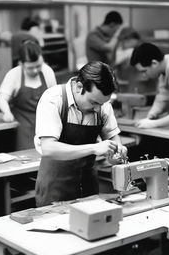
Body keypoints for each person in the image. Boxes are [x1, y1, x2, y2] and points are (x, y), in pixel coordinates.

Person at [34, 61, 128, 206]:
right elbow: (48, 148)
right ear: (79, 87)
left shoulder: (102, 105)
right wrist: (93, 148)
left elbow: (113, 138)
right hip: (55, 186)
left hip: (88, 184)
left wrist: (117, 152)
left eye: (101, 104)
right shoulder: (53, 99)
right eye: (93, 103)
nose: (97, 109)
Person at [0, 40, 57, 150]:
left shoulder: (47, 71)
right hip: (23, 125)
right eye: (30, 68)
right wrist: (6, 112)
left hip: (45, 124)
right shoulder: (14, 75)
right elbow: (2, 99)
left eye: (38, 66)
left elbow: (56, 98)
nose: (35, 70)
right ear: (21, 64)